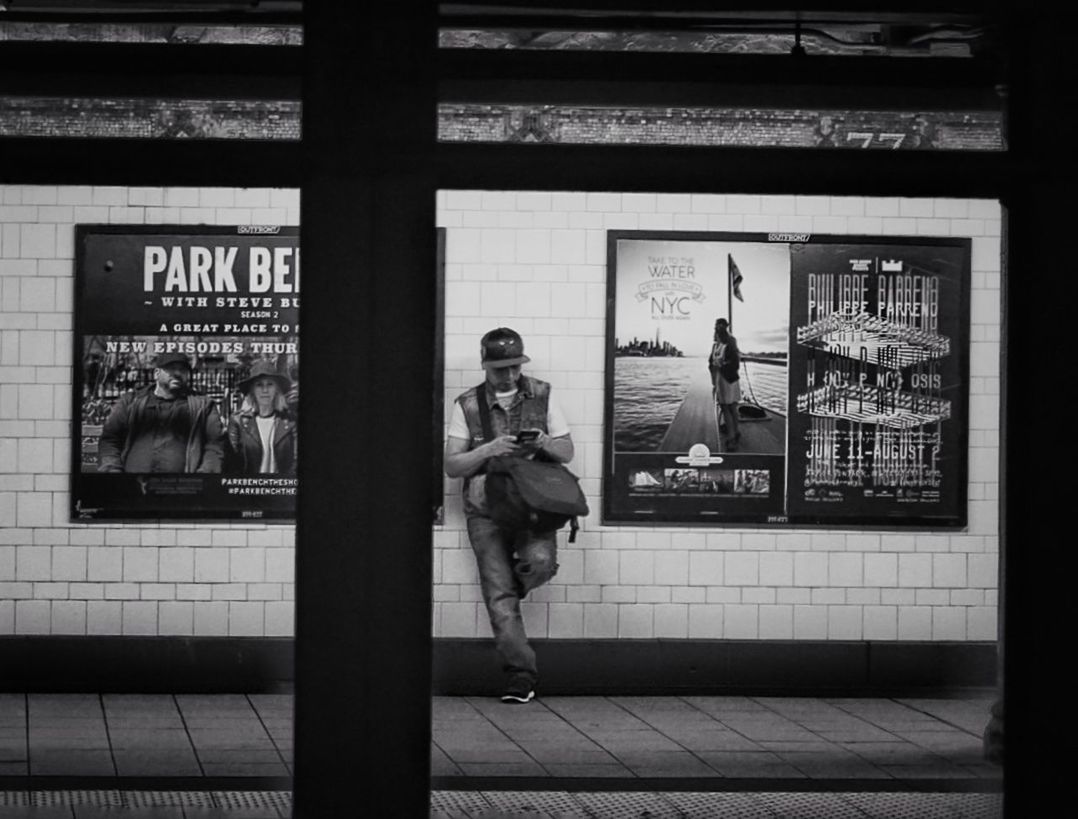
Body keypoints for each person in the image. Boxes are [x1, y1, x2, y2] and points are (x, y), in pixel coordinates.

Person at [444, 327, 575, 704]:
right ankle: (521, 673)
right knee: (498, 596)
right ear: (485, 365)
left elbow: (567, 452)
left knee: (540, 563)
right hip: (484, 509)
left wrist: (545, 442)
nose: (510, 376)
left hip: (533, 506)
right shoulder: (467, 405)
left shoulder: (543, 394)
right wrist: (489, 449)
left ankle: (506, 594)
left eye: (515, 367)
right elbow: (453, 465)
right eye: (501, 368)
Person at [97, 351, 224, 473]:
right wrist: (112, 471)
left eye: (183, 370)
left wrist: (202, 478)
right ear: (156, 373)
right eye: (171, 368)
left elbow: (214, 446)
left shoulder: (204, 406)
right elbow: (110, 440)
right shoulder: (130, 401)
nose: (178, 373)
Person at [224, 359, 297, 476]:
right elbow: (232, 463)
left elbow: (296, 461)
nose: (265, 390)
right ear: (252, 391)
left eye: (270, 384)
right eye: (259, 385)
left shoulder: (290, 421)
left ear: (277, 390)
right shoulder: (238, 421)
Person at [708, 317, 741, 451]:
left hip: (729, 379)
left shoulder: (730, 342)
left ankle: (732, 437)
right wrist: (713, 379)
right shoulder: (715, 345)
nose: (716, 329)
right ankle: (735, 432)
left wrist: (721, 365)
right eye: (716, 327)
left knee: (729, 407)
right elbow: (710, 362)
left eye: (718, 326)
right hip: (719, 379)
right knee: (729, 407)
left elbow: (735, 364)